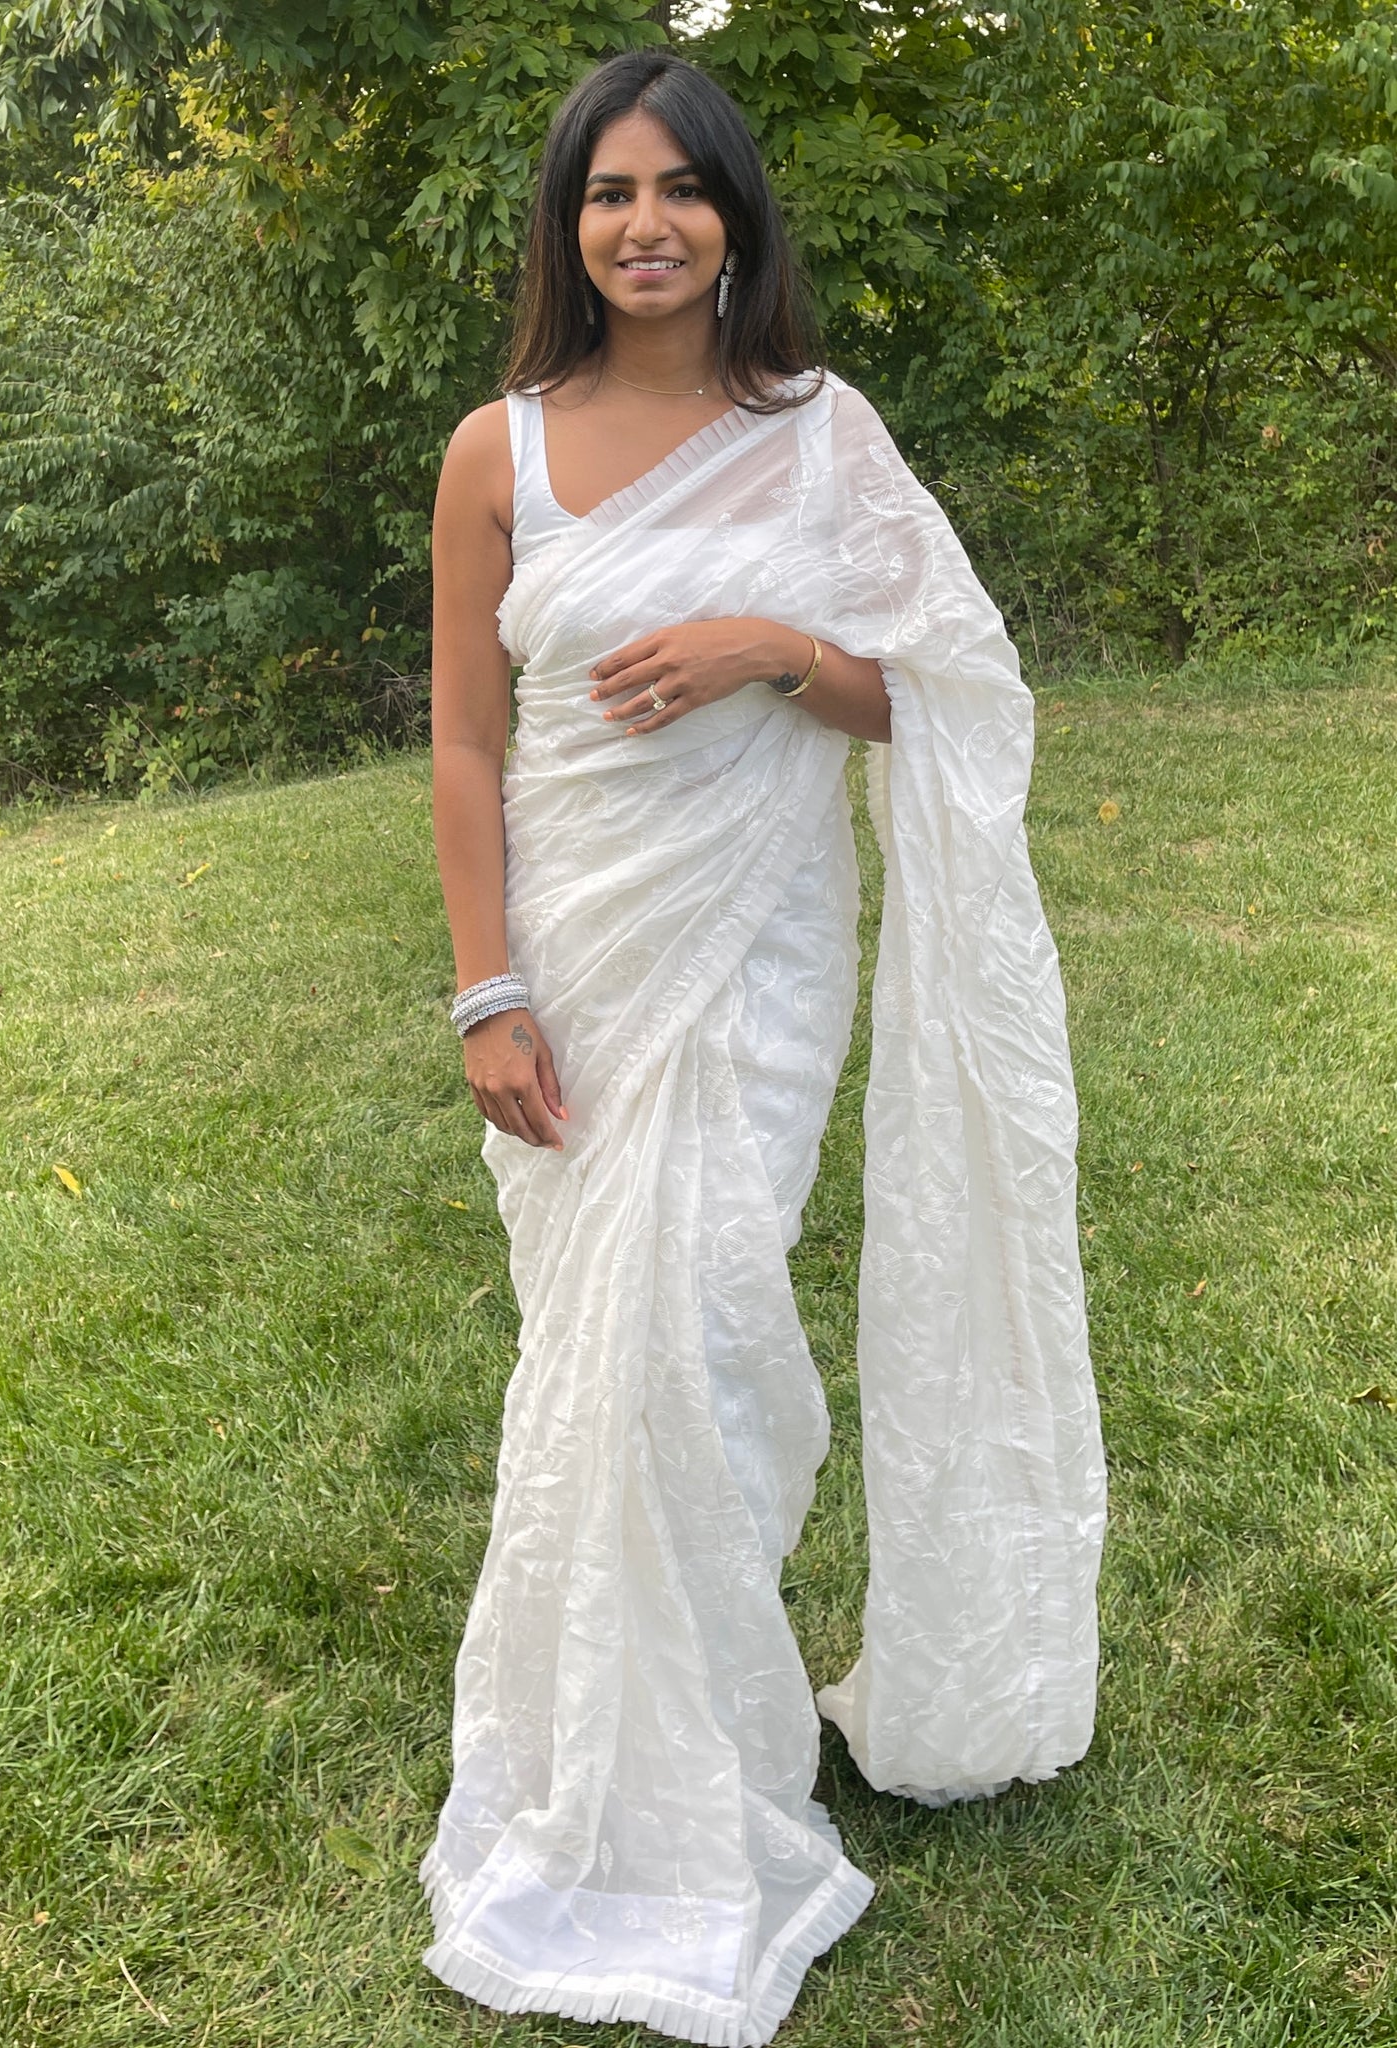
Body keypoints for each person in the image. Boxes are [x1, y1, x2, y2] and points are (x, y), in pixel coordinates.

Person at [422, 47, 1108, 2048]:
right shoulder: (496, 452)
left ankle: (714, 1754)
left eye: (680, 187)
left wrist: (774, 651)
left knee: (711, 1328)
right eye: (607, 191)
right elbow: (463, 740)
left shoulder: (821, 438)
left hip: (756, 951)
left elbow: (947, 696)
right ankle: (594, 1767)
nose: (644, 223)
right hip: (577, 959)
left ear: (735, 216)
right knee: (597, 1351)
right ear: (567, 225)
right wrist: (487, 987)